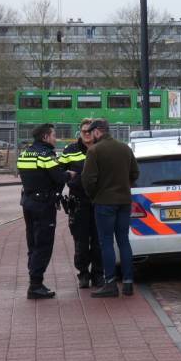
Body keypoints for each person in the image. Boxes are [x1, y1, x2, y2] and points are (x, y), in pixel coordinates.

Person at [82, 119, 139, 297]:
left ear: (98, 131)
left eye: (92, 133)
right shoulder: (125, 148)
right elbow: (135, 173)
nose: (91, 136)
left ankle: (110, 284)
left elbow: (88, 180)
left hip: (104, 203)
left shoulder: (94, 151)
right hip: (124, 202)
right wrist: (124, 187)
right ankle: (128, 283)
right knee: (123, 240)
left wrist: (95, 196)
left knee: (106, 242)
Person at [17, 123, 74, 299]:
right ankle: (35, 285)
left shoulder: (25, 153)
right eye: (53, 135)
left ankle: (34, 280)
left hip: (28, 202)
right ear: (45, 137)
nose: (55, 138)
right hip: (43, 205)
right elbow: (57, 176)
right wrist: (69, 175)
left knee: (32, 243)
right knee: (43, 244)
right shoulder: (45, 155)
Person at [60, 119, 103, 289]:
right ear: (80, 131)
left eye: (89, 131)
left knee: (99, 242)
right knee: (81, 242)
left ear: (95, 132)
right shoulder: (70, 150)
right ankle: (83, 273)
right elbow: (59, 171)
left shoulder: (101, 148)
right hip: (79, 203)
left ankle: (98, 274)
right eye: (83, 130)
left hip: (99, 201)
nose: (86, 133)